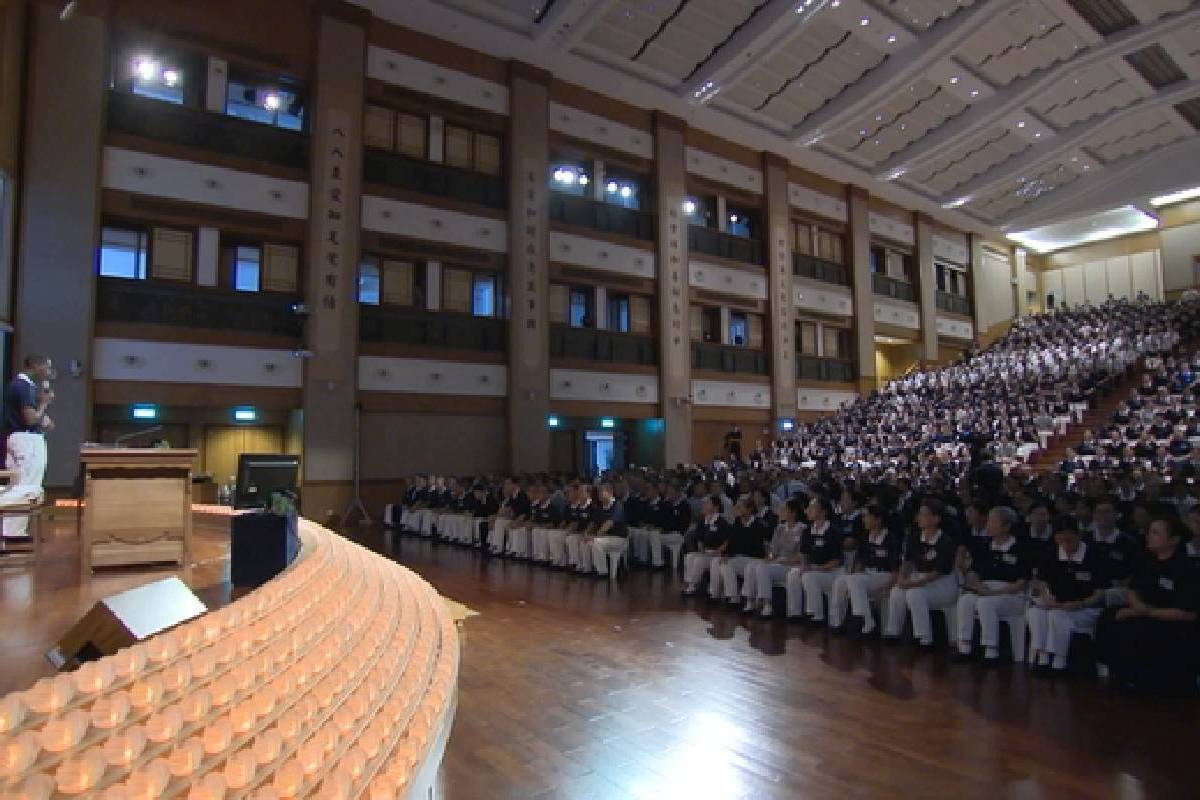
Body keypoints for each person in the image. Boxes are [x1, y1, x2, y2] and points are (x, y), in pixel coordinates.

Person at [1099, 517, 1200, 695]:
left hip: (1173, 621)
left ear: (1174, 539)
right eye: (1150, 532)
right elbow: (1133, 589)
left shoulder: (1187, 569)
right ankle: (1118, 673)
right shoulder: (1148, 563)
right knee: (1109, 616)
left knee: (1141, 628)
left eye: (1155, 533)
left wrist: (1146, 611)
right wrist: (1137, 606)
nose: (1149, 536)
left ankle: (1147, 679)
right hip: (1144, 611)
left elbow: (1187, 613)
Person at [1026, 516, 1107, 675]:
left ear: (1078, 535)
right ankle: (1042, 657)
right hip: (1057, 603)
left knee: (1057, 616)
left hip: (1085, 609)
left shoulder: (1095, 555)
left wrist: (1081, 603)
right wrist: (1046, 596)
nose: (1065, 545)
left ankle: (1059, 661)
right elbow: (1041, 581)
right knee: (1036, 613)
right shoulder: (1050, 553)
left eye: (1069, 539)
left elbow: (1100, 593)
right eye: (1061, 540)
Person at [954, 506, 1031, 664]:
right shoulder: (985, 546)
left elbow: (1022, 582)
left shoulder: (1021, 548)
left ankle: (991, 650)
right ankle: (965, 647)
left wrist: (996, 593)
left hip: (1011, 595)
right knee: (965, 601)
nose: (988, 524)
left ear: (1006, 526)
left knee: (985, 603)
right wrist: (977, 586)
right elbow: (974, 572)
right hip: (985, 589)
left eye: (993, 522)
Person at [884, 499, 959, 649]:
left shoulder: (945, 541)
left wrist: (913, 584)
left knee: (915, 594)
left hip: (941, 584)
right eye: (919, 514)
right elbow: (909, 562)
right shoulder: (915, 537)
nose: (919, 518)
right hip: (918, 578)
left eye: (924, 515)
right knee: (897, 592)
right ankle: (893, 632)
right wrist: (902, 578)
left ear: (936, 519)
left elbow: (938, 571)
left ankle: (925, 638)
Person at [2, 355, 54, 539]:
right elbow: (30, 419)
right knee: (27, 486)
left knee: (16, 485)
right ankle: (13, 533)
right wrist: (44, 404)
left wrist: (42, 417)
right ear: (35, 366)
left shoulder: (18, 385)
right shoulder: (24, 386)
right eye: (46, 368)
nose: (48, 372)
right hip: (26, 441)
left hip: (16, 437)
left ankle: (10, 530)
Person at [829, 503, 901, 635]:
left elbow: (897, 569)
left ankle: (866, 619)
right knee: (841, 581)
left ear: (878, 520)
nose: (864, 520)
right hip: (867, 575)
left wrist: (888, 587)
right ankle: (837, 621)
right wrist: (855, 574)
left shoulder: (890, 539)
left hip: (884, 576)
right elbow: (860, 562)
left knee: (854, 581)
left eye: (867, 516)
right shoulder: (865, 538)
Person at [743, 498, 806, 618]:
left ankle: (767, 603)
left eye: (784, 510)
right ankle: (750, 600)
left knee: (763, 569)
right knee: (752, 566)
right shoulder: (780, 529)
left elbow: (802, 554)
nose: (780, 512)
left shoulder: (803, 529)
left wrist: (785, 560)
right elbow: (773, 550)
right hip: (778, 563)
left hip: (792, 565)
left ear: (793, 513)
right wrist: (770, 558)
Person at [791, 496, 845, 624]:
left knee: (809, 577)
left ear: (823, 512)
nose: (807, 510)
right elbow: (803, 553)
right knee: (793, 574)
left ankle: (817, 615)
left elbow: (837, 561)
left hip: (832, 572)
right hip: (814, 569)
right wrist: (804, 566)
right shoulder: (807, 531)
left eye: (812, 507)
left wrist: (816, 568)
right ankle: (795, 612)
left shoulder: (833, 531)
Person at [682, 495, 731, 596]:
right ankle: (691, 585)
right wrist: (701, 547)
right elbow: (699, 538)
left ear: (716, 507)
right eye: (704, 503)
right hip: (705, 552)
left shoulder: (722, 522)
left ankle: (703, 588)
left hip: (717, 554)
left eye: (707, 503)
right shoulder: (702, 521)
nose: (704, 506)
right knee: (690, 556)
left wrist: (720, 550)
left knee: (699, 560)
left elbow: (727, 540)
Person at [589, 483, 628, 577]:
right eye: (598, 492)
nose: (599, 494)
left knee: (595, 542)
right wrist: (587, 533)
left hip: (618, 538)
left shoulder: (617, 505)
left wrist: (596, 535)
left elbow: (609, 523)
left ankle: (602, 572)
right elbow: (593, 523)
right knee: (586, 542)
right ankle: (587, 568)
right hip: (605, 538)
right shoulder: (600, 507)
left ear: (610, 493)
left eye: (601, 492)